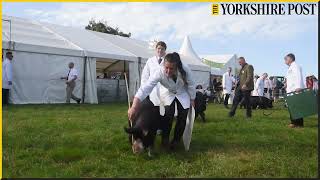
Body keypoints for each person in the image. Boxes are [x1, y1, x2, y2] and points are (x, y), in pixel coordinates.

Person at [128, 52, 195, 150]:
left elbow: (191, 84)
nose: (168, 71)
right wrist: (134, 106)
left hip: (182, 92)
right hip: (168, 92)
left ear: (176, 67)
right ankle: (165, 138)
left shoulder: (185, 69)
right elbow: (145, 88)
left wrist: (192, 99)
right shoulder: (159, 72)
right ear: (164, 65)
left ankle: (176, 140)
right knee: (168, 114)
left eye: (171, 69)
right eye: (166, 68)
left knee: (183, 117)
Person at [140, 41, 167, 139]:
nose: (160, 50)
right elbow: (145, 76)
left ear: (165, 50)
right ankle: (154, 128)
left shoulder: (167, 61)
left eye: (162, 49)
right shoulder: (150, 61)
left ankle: (163, 129)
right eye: (158, 48)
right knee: (154, 110)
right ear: (156, 50)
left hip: (165, 89)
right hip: (153, 90)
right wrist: (144, 89)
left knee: (164, 110)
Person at [284, 53, 305, 128]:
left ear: (290, 59)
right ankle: (293, 122)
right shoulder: (290, 67)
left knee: (297, 107)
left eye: (286, 59)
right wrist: (286, 84)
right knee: (292, 107)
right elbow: (291, 78)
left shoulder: (295, 66)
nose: (285, 61)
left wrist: (298, 87)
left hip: (296, 89)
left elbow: (298, 76)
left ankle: (299, 123)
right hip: (291, 90)